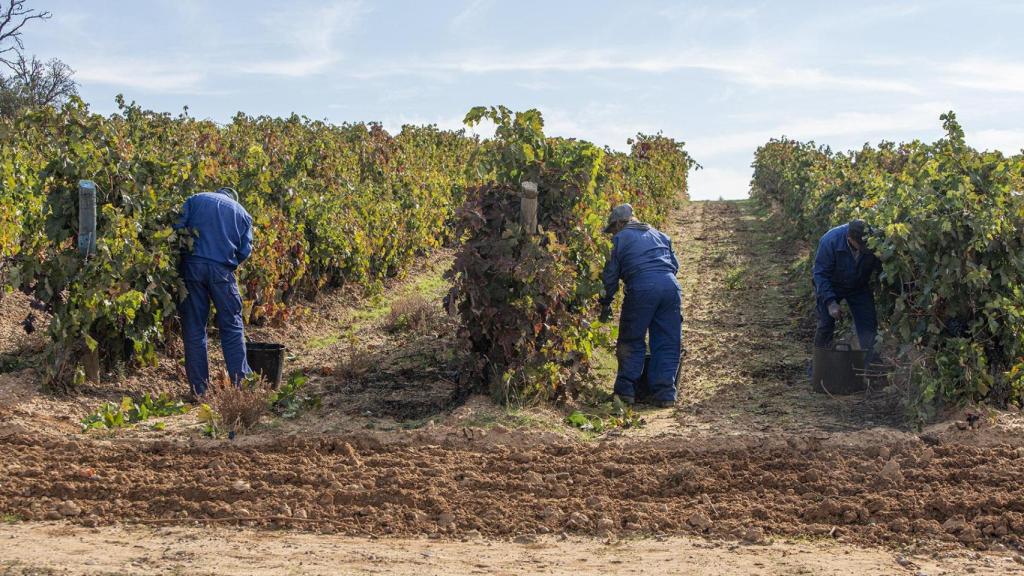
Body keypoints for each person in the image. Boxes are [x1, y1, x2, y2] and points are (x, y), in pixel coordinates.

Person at [599, 203, 682, 408]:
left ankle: (626, 391)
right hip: (671, 287)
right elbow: (675, 266)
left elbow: (610, 276)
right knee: (667, 341)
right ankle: (664, 394)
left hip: (642, 287)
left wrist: (605, 302)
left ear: (619, 223)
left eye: (612, 229)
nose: (612, 234)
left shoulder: (619, 239)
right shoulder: (661, 235)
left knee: (632, 339)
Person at [173, 187, 254, 396]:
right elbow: (245, 250)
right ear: (233, 197)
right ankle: (241, 386)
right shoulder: (242, 213)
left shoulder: (195, 199)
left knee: (194, 328)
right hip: (222, 272)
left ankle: (199, 390)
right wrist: (228, 264)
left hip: (192, 267)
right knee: (232, 326)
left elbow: (178, 229)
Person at [812, 219, 882, 368]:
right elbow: (820, 275)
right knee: (825, 324)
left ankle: (872, 370)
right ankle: (818, 369)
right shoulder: (830, 241)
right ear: (849, 239)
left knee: (868, 326)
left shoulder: (875, 239)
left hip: (859, 286)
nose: (866, 248)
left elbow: (882, 268)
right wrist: (830, 302)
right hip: (832, 285)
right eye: (861, 246)